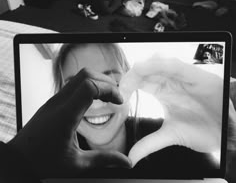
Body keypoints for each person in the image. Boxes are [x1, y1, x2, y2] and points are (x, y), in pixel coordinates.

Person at [53, 42, 234, 175]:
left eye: (113, 82)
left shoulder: (178, 135)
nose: (96, 102)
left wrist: (231, 141)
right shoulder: (51, 155)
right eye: (76, 88)